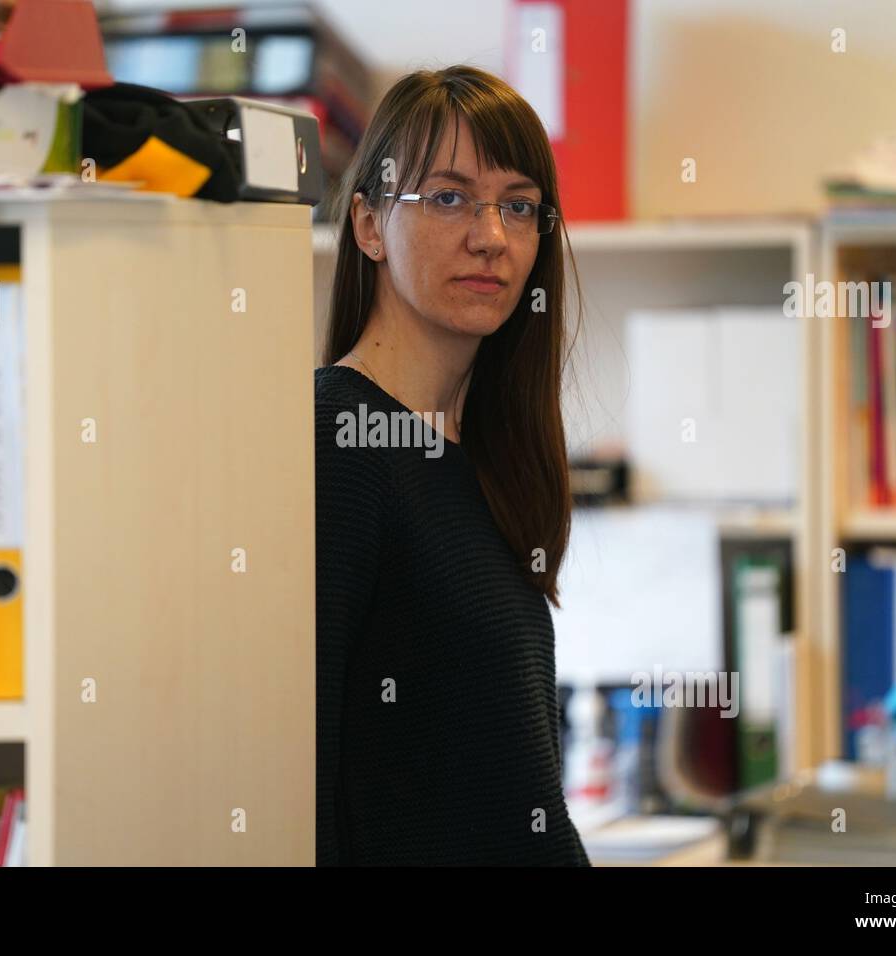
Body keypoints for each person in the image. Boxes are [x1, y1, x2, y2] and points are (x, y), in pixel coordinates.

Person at [315, 64, 590, 866]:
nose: (491, 236)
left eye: (518, 205)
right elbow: (300, 777)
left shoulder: (483, 461)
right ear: (368, 224)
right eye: (448, 197)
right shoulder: (341, 439)